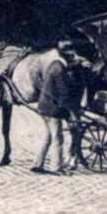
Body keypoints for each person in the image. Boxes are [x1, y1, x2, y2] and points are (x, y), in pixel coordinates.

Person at [32, 43, 83, 175]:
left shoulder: (55, 64)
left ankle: (37, 164)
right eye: (72, 56)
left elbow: (66, 68)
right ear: (67, 56)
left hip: (44, 106)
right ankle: (56, 167)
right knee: (58, 138)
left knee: (48, 136)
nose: (74, 58)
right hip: (52, 109)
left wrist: (78, 65)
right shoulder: (60, 70)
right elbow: (63, 95)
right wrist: (71, 113)